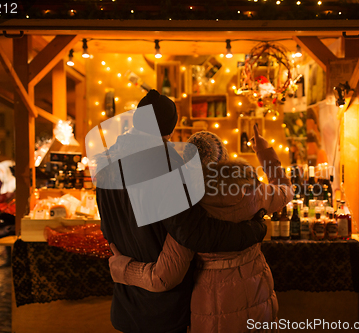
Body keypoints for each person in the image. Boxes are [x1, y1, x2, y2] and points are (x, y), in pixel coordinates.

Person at [95, 90, 268, 333]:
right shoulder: (164, 162)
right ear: (169, 128)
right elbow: (193, 231)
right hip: (163, 306)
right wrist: (253, 230)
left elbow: (108, 229)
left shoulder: (106, 162)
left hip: (127, 303)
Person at [109, 127, 293, 332]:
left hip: (212, 307)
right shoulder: (254, 191)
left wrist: (123, 269)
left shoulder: (188, 211)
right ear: (224, 158)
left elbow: (164, 277)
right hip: (259, 295)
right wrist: (265, 151)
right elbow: (286, 190)